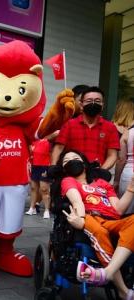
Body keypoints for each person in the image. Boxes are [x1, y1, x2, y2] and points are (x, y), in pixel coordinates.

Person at [57, 150, 134, 300]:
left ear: (85, 164)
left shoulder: (103, 184)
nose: (72, 160)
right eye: (67, 160)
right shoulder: (68, 181)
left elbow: (118, 209)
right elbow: (77, 201)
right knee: (99, 231)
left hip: (112, 220)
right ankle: (123, 291)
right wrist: (80, 219)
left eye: (75, 158)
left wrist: (131, 189)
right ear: (63, 167)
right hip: (89, 216)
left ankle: (107, 273)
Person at [51, 86, 120, 170]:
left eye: (98, 101)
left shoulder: (110, 128)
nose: (93, 103)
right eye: (89, 101)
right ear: (81, 104)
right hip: (70, 175)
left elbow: (112, 155)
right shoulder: (69, 125)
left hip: (97, 177)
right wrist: (53, 166)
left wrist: (102, 171)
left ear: (102, 105)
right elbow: (58, 148)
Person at [25, 132, 58, 219]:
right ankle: (32, 208)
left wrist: (48, 133)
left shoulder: (49, 140)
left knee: (44, 189)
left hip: (45, 166)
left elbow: (57, 133)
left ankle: (46, 210)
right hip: (34, 166)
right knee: (33, 188)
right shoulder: (33, 141)